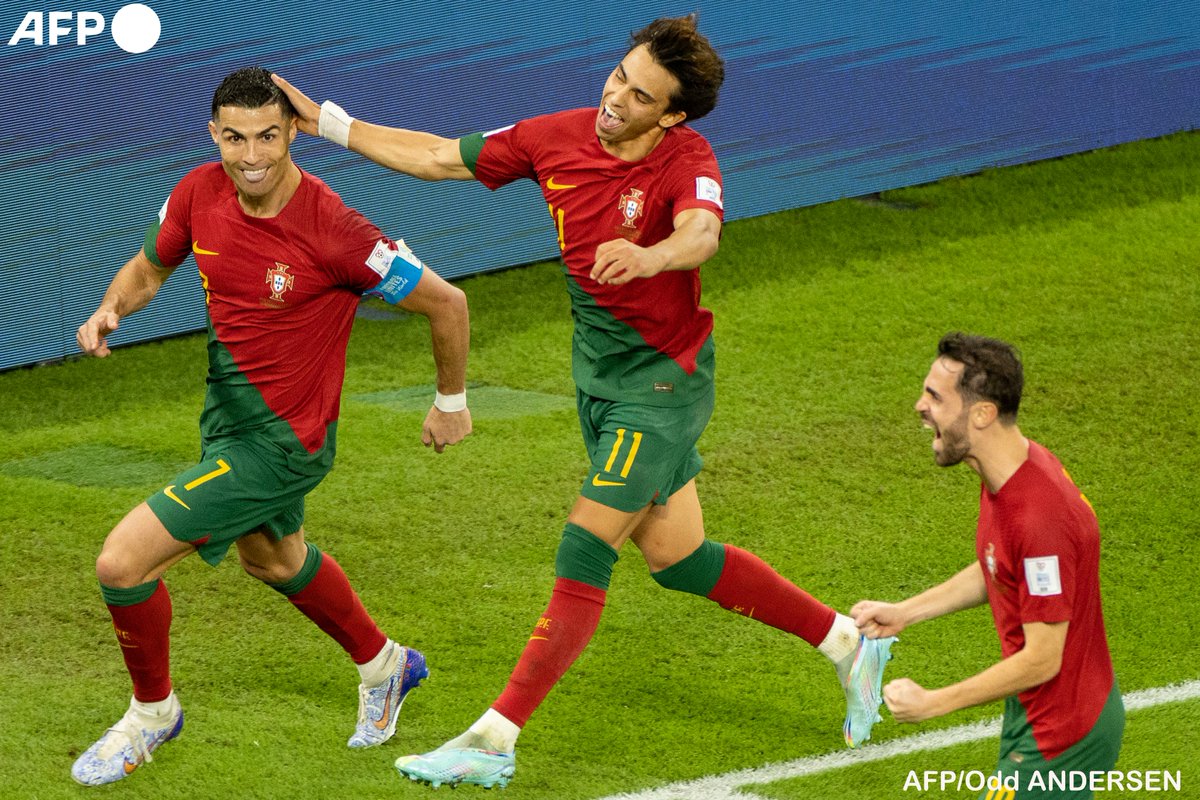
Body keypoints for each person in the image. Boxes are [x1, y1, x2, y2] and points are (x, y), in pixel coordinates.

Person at [274, 15, 893, 790]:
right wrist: (325, 122)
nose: (615, 99)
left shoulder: (688, 159)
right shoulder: (554, 136)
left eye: (640, 96)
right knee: (676, 557)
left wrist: (651, 253)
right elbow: (437, 155)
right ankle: (848, 643)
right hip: (599, 383)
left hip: (662, 386)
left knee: (585, 546)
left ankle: (492, 738)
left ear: (671, 114)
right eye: (618, 77)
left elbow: (701, 233)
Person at [70, 66, 472, 787]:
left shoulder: (338, 229)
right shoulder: (198, 192)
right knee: (274, 561)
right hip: (226, 421)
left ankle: (152, 714)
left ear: (292, 132)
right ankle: (386, 665)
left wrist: (450, 402)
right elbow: (149, 267)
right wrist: (113, 308)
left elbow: (448, 304)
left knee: (122, 564)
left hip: (284, 445)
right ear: (213, 135)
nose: (251, 155)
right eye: (234, 137)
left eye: (266, 136)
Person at [852, 333, 1124, 799]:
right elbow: (1000, 567)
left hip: (1059, 738)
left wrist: (934, 703)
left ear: (982, 414)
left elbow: (1043, 657)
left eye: (936, 397)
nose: (920, 406)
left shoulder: (1039, 518)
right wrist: (906, 612)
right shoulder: (1013, 471)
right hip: (1040, 713)